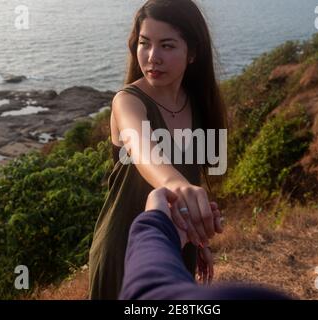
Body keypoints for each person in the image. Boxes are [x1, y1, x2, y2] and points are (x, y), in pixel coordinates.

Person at [88, 0, 227, 299]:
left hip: (176, 244)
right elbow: (142, 151)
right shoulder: (128, 102)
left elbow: (192, 180)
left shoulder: (201, 105)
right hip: (124, 247)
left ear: (193, 52)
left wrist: (198, 236)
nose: (152, 57)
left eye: (167, 45)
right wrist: (177, 184)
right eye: (144, 43)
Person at [119, 188, 290, 300]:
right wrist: (196, 233)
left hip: (150, 246)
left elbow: (150, 293)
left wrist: (156, 224)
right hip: (140, 240)